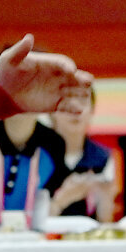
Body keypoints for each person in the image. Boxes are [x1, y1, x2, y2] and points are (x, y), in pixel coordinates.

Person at [48, 89, 116, 222]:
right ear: (51, 111)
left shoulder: (102, 157)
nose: (76, 110)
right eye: (66, 103)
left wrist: (105, 203)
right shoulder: (37, 154)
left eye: (83, 101)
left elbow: (105, 223)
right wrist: (60, 201)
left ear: (92, 111)